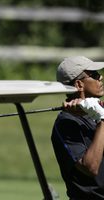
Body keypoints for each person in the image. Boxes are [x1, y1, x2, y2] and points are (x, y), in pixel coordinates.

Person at [51, 56, 104, 200]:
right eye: (94, 75)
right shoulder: (66, 123)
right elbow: (90, 167)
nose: (100, 77)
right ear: (79, 85)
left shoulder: (98, 109)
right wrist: (101, 120)